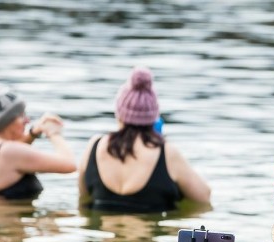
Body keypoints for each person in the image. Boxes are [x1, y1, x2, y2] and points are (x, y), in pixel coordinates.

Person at [78, 66, 211, 212]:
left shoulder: (95, 146)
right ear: (153, 117)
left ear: (119, 114)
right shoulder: (166, 152)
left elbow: (83, 198)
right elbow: (203, 197)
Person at [0, 80, 76, 205]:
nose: (27, 120)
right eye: (21, 115)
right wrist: (54, 133)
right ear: (6, 121)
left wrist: (34, 132)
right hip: (9, 223)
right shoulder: (9, 151)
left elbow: (14, 153)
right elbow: (70, 164)